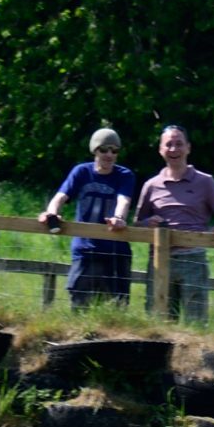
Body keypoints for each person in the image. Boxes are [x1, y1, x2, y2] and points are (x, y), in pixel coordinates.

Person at [134, 124, 214, 323]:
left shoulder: (205, 181)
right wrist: (148, 223)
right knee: (158, 321)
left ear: (188, 148)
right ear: (160, 149)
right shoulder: (151, 185)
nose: (174, 149)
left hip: (193, 259)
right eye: (169, 144)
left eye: (179, 144)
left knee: (196, 322)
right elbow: (137, 224)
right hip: (159, 259)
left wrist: (204, 238)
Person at [42, 127, 136, 308]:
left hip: (115, 251)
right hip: (85, 249)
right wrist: (52, 212)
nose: (109, 154)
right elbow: (60, 197)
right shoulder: (81, 172)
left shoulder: (125, 175)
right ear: (95, 150)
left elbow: (123, 200)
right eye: (104, 149)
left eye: (114, 150)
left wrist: (118, 218)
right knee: (79, 303)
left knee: (116, 308)